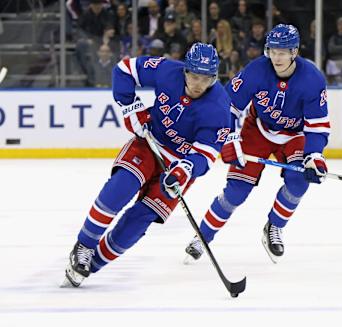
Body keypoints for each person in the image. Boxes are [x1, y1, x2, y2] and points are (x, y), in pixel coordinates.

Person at [63, 43, 231, 287]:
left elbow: (205, 156)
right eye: (194, 76)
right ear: (185, 71)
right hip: (149, 144)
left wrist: (184, 170)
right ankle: (84, 247)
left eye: (205, 79)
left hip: (178, 168)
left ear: (214, 78)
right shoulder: (166, 71)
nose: (198, 84)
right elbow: (124, 69)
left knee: (140, 220)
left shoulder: (219, 108)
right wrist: (130, 107)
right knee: (120, 188)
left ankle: (91, 264)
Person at [184, 24, 330, 263]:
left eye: (283, 51)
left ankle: (274, 226)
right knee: (236, 192)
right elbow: (226, 105)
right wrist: (230, 138)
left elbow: (317, 125)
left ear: (294, 52)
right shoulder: (257, 70)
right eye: (273, 50)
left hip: (294, 135)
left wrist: (314, 156)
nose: (277, 57)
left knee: (298, 182)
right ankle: (202, 236)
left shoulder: (312, 79)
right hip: (257, 130)